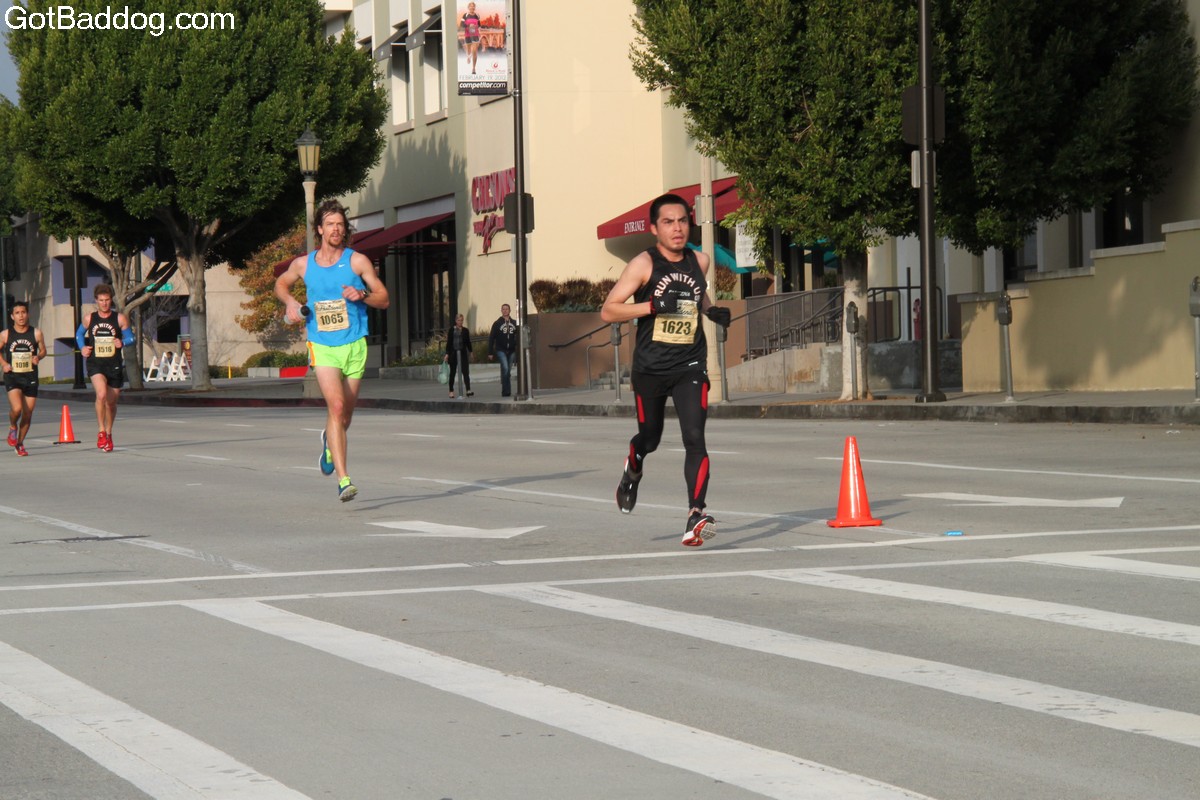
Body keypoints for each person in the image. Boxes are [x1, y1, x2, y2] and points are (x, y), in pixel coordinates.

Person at [600, 193, 732, 547]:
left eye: (683, 221)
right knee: (650, 438)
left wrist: (710, 310)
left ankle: (695, 514)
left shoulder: (699, 260)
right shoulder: (643, 264)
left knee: (695, 437)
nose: (677, 228)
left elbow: (696, 295)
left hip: (690, 363)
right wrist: (652, 305)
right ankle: (634, 466)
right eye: (668, 222)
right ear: (654, 228)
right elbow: (609, 310)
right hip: (651, 368)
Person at [275, 200, 390, 502]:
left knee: (345, 416)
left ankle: (329, 440)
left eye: (340, 224)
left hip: (354, 344)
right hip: (323, 345)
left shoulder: (357, 261)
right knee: (336, 407)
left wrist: (362, 294)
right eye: (330, 224)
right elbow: (280, 284)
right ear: (319, 229)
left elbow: (384, 298)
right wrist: (290, 302)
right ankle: (344, 480)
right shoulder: (304, 264)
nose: (336, 229)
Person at [76, 285, 134, 452]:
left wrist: (122, 342)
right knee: (101, 394)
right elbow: (79, 334)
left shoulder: (120, 318)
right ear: (96, 300)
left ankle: (108, 433)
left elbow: (131, 338)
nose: (104, 303)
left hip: (114, 364)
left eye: (107, 300)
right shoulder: (89, 318)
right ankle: (101, 431)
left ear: (111, 300)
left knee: (111, 403)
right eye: (101, 300)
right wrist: (82, 347)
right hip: (96, 363)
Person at [1, 301, 47, 457]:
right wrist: (4, 364)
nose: (21, 316)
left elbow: (43, 350)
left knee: (27, 414)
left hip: (30, 376)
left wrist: (38, 357)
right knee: (17, 409)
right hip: (13, 376)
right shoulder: (6, 334)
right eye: (17, 313)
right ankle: (12, 426)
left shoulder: (36, 333)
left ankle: (19, 443)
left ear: (27, 314)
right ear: (12, 316)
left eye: (23, 312)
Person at [487, 303, 518, 397]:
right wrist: (490, 352)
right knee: (505, 369)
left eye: (506, 309)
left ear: (510, 310)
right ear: (501, 311)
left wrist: (516, 349)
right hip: (501, 350)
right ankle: (506, 391)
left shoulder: (514, 323)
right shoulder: (497, 323)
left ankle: (506, 389)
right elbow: (491, 338)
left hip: (511, 350)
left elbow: (517, 337)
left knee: (507, 371)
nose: (505, 310)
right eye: (503, 309)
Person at [444, 313, 473, 398]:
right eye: (459, 320)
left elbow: (468, 342)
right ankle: (451, 391)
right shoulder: (452, 330)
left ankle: (468, 389)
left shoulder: (465, 330)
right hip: (453, 353)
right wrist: (447, 354)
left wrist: (471, 352)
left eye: (461, 320)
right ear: (456, 321)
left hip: (463, 353)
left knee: (465, 371)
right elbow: (449, 343)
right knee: (452, 372)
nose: (460, 322)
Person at [460, 2, 481, 75]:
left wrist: (476, 27)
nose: (472, 7)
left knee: (474, 51)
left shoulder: (477, 15)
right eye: (470, 6)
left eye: (473, 6)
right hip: (468, 35)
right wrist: (469, 25)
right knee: (469, 50)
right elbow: (461, 24)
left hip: (475, 35)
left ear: (474, 7)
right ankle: (468, 56)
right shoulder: (465, 15)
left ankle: (473, 68)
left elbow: (479, 25)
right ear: (468, 7)